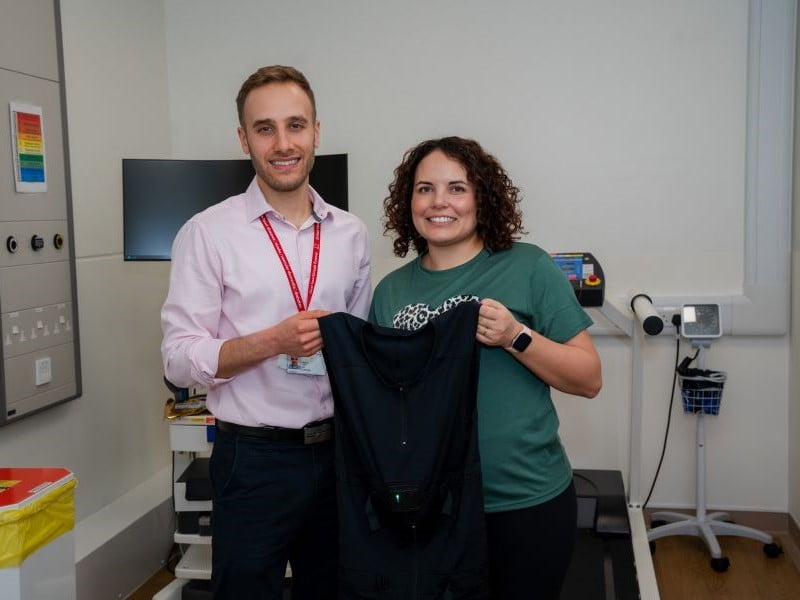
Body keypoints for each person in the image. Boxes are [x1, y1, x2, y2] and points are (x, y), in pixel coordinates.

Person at [161, 65, 371, 599]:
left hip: (337, 454)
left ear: (317, 132)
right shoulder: (207, 234)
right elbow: (178, 361)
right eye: (265, 128)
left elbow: (362, 346)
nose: (283, 143)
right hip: (255, 462)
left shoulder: (351, 234)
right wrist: (271, 342)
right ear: (243, 138)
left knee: (334, 589)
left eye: (296, 125)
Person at [369, 136, 601, 599]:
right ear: (407, 201)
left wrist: (516, 336)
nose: (439, 202)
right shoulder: (391, 292)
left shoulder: (528, 267)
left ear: (482, 197)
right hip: (431, 506)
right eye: (424, 189)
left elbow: (589, 378)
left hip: (523, 500)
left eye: (457, 188)